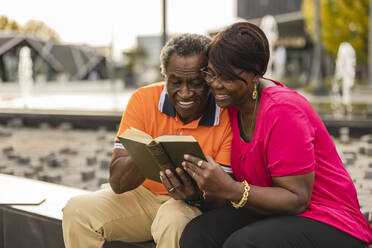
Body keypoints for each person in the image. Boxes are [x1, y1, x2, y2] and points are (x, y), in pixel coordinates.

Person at [180, 22, 372, 248]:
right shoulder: (232, 105)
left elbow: (297, 199)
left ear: (255, 75)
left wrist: (230, 189)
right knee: (198, 233)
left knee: (241, 244)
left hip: (327, 218)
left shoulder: (283, 110)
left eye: (228, 77)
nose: (216, 84)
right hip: (270, 211)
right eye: (211, 74)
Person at [62, 34, 233, 248]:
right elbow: (117, 183)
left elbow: (222, 198)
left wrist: (196, 196)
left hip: (190, 205)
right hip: (142, 196)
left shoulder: (226, 113)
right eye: (176, 82)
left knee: (173, 219)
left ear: (209, 78)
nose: (185, 93)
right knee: (77, 211)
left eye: (196, 83)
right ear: (164, 75)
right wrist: (147, 153)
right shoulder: (142, 99)